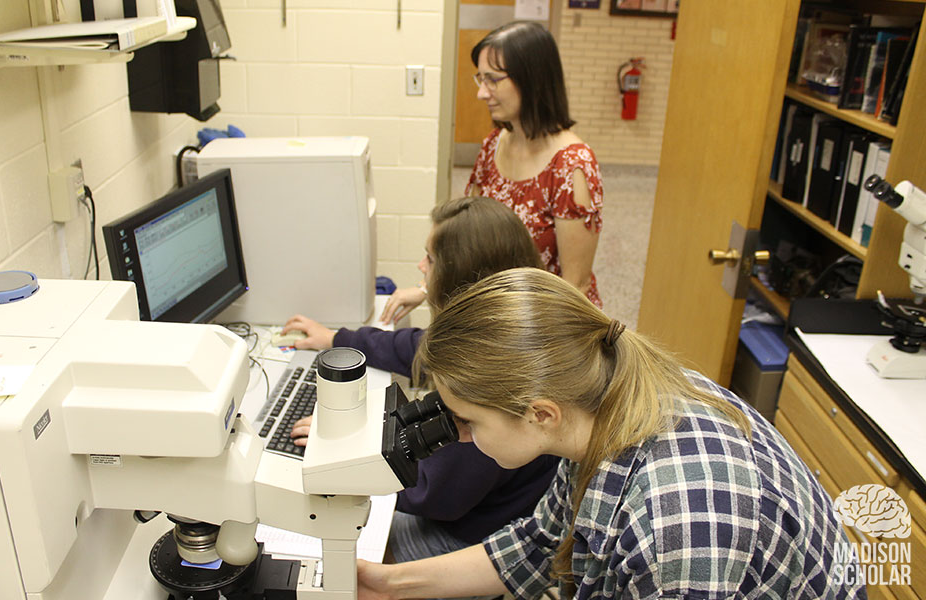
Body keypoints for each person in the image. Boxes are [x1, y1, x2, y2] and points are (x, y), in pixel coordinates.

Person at [357, 268, 865, 600]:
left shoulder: (677, 532)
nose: (459, 438)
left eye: (468, 421)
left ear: (539, 413)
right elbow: (541, 544)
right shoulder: (601, 404)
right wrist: (391, 585)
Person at [281, 197, 559, 564]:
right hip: (482, 507)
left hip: (473, 537)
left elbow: (434, 495)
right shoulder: (508, 324)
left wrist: (348, 447)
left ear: (459, 274)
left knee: (321, 541)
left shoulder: (493, 384)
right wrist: (338, 339)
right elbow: (417, 346)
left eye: (430, 259)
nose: (420, 266)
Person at [378, 21, 604, 325]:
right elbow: (466, 235)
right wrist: (425, 287)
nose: (482, 93)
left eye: (493, 80)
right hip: (497, 312)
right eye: (480, 79)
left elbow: (575, 286)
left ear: (532, 80)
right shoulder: (494, 144)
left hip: (545, 326)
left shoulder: (573, 164)